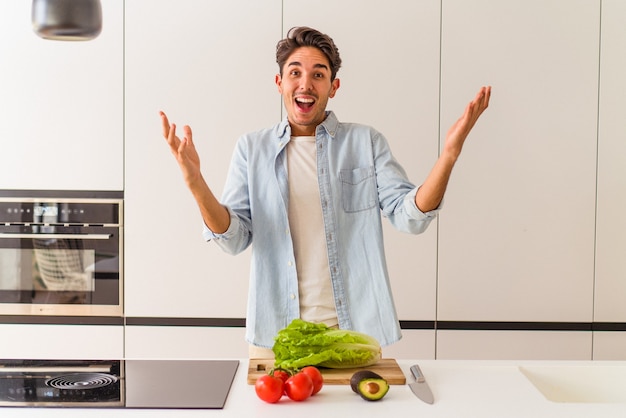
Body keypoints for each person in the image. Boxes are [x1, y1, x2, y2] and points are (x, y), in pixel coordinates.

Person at [160, 26, 491, 357]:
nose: (306, 83)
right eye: (295, 73)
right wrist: (195, 182)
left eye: (318, 74)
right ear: (280, 83)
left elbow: (410, 218)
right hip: (276, 335)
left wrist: (449, 155)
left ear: (333, 87)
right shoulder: (252, 148)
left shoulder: (365, 142)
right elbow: (233, 239)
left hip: (354, 332)